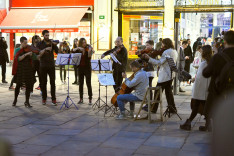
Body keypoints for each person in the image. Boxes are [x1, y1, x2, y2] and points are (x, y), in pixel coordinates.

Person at [201, 30, 234, 131]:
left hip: (218, 91)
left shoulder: (218, 57)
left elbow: (206, 73)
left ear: (224, 42)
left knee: (217, 111)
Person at [180, 45, 212, 131]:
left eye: (201, 51)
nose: (200, 53)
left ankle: (189, 123)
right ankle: (207, 125)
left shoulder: (204, 63)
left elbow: (200, 77)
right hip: (204, 89)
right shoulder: (209, 62)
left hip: (200, 89)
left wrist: (194, 80)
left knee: (199, 106)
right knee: (200, 106)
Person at [142, 38, 178, 114]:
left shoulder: (166, 52)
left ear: (166, 44)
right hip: (171, 75)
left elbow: (159, 62)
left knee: (157, 92)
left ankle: (154, 108)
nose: (162, 46)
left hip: (164, 75)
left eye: (163, 44)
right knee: (168, 93)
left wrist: (149, 59)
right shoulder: (174, 51)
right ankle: (172, 108)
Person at [12, 36, 36, 107]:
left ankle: (27, 101)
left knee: (28, 86)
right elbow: (18, 59)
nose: (26, 44)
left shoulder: (28, 49)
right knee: (18, 85)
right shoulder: (17, 50)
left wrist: (34, 54)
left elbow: (35, 57)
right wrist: (26, 54)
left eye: (27, 43)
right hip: (20, 70)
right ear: (21, 42)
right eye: (25, 43)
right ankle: (15, 100)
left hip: (28, 69)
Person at [37, 30, 59, 106]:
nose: (47, 37)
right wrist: (46, 49)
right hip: (43, 65)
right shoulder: (40, 44)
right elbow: (38, 53)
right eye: (46, 35)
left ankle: (53, 99)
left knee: (53, 83)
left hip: (51, 65)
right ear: (43, 36)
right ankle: (44, 98)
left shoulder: (52, 43)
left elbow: (57, 52)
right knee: (43, 83)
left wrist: (55, 45)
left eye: (48, 35)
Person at [73, 38, 94, 105]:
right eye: (83, 43)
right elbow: (72, 50)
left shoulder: (88, 48)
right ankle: (81, 99)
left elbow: (89, 56)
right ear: (80, 43)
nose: (84, 44)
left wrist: (90, 51)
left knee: (88, 83)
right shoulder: (78, 49)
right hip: (80, 68)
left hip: (87, 68)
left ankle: (90, 98)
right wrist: (78, 48)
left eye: (85, 42)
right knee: (80, 84)